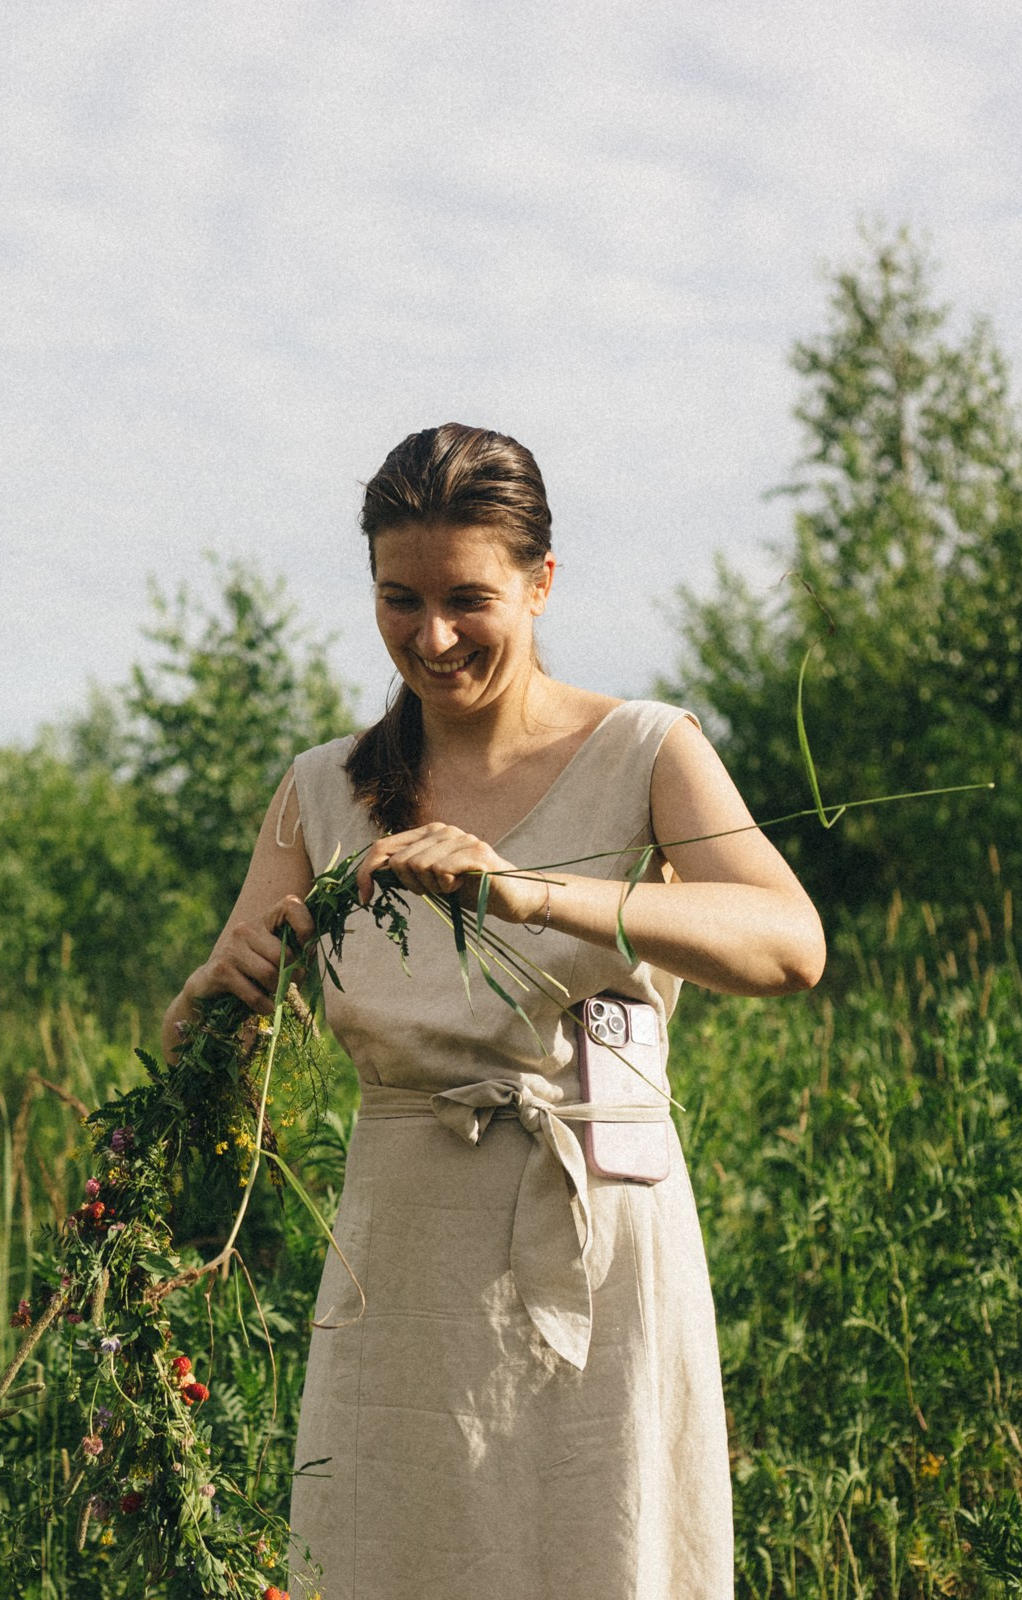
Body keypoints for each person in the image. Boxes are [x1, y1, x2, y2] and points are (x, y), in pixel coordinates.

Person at [160, 424, 825, 1599]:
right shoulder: (322, 788)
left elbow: (790, 944)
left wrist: (530, 894)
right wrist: (208, 1010)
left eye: (468, 599)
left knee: (598, 1550)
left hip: (598, 1244)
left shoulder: (647, 749)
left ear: (541, 581)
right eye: (400, 599)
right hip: (398, 1268)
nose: (433, 637)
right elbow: (206, 1053)